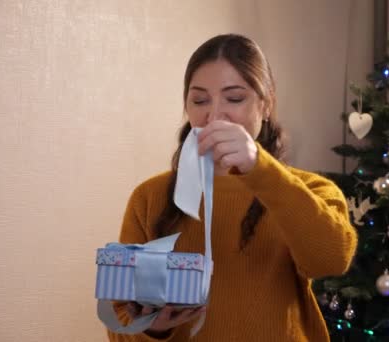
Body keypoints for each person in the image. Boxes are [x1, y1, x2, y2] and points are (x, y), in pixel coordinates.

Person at [107, 33, 358, 342]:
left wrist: (261, 170)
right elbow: (117, 321)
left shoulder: (309, 189)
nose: (214, 115)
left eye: (235, 98)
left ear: (266, 105)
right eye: (199, 100)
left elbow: (331, 260)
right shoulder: (150, 197)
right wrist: (154, 326)